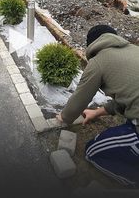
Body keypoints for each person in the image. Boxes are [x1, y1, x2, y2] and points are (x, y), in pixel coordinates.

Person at [56, 24, 139, 187]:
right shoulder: (134, 50)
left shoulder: (98, 61)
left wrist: (64, 116)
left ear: (92, 45)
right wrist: (98, 112)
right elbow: (128, 97)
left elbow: (78, 102)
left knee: (94, 151)